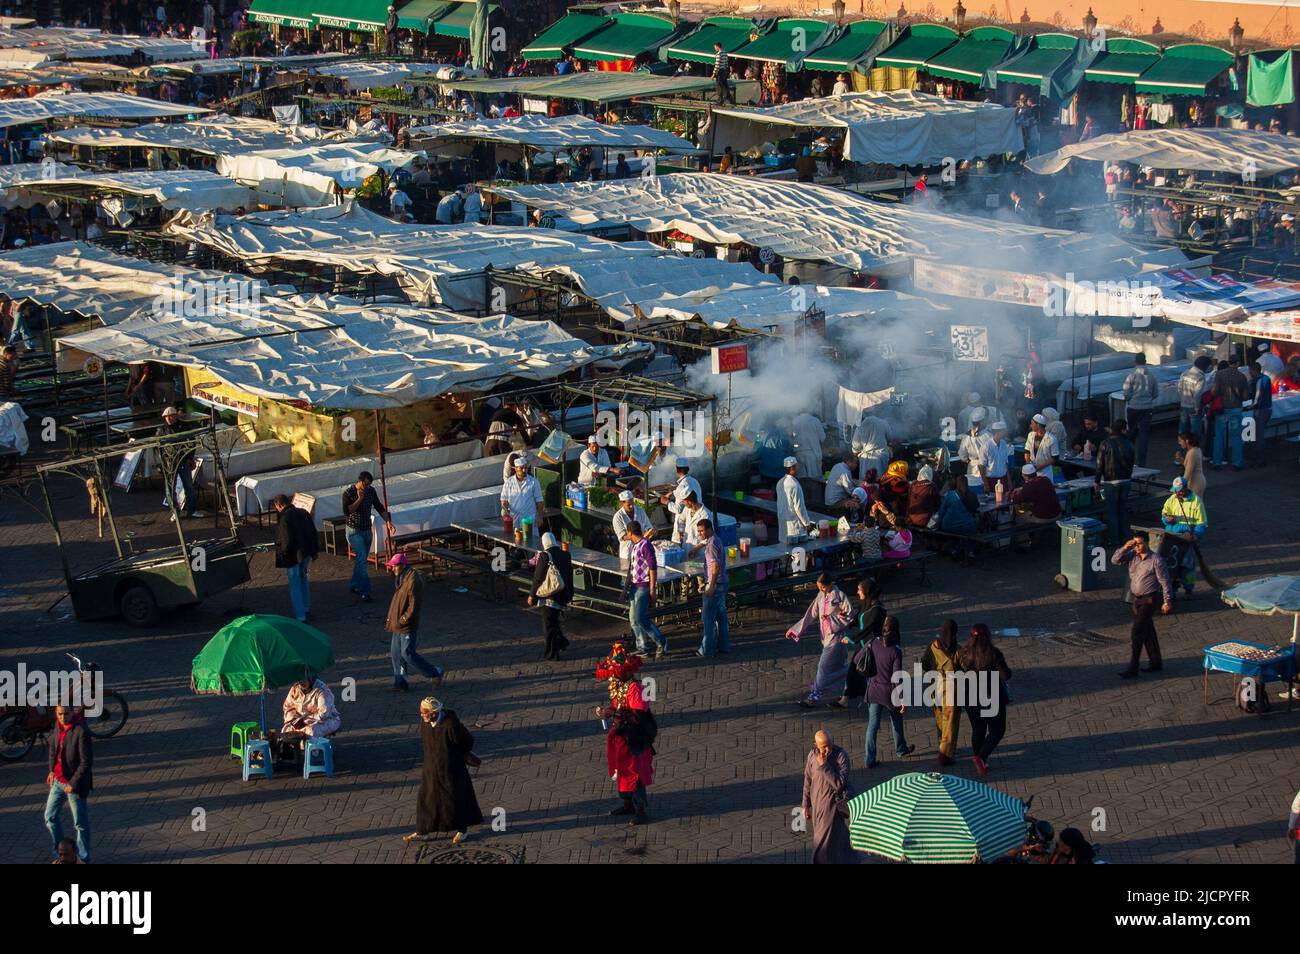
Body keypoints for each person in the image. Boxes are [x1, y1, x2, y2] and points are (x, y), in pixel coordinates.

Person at [404, 697, 483, 845]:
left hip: (451, 770)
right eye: (421, 712)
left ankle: (462, 830)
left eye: (424, 712)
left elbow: (467, 742)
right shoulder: (426, 723)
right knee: (427, 799)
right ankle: (423, 831)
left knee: (455, 799)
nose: (422, 715)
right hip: (431, 768)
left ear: (434, 712)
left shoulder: (451, 726)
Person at [595, 642, 657, 825]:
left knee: (635, 774)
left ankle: (640, 810)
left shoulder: (636, 689)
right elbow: (618, 706)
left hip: (635, 738)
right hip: (622, 736)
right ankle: (627, 803)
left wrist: (612, 713)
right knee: (622, 771)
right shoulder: (621, 686)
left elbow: (638, 716)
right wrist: (608, 711)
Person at [788, 572, 855, 708]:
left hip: (836, 639)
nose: (821, 590)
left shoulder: (840, 596)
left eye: (823, 587)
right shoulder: (820, 596)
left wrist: (833, 619)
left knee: (823, 668)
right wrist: (795, 630)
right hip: (826, 639)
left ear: (830, 584)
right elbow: (811, 613)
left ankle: (814, 696)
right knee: (840, 668)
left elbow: (850, 615)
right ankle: (854, 682)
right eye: (819, 587)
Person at [1112, 530, 1173, 678]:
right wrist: (1126, 547)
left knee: (1137, 632)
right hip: (1136, 600)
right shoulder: (1132, 556)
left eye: (1139, 543)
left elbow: (1165, 582)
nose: (1137, 546)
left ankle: (1133, 667)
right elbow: (1115, 560)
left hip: (1149, 600)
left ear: (1147, 543)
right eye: (1135, 543)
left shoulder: (1156, 560)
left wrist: (1167, 601)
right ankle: (1156, 662)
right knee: (1148, 632)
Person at [959, 624, 1011, 778]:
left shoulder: (964, 652)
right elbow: (1006, 675)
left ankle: (979, 759)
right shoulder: (993, 654)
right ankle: (981, 757)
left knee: (978, 729)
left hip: (970, 696)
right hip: (991, 696)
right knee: (997, 729)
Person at [386, 553, 443, 691]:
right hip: (397, 623)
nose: (392, 568)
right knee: (396, 653)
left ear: (402, 565)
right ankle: (400, 683)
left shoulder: (412, 580)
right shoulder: (401, 578)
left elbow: (414, 605)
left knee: (407, 653)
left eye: (394, 566)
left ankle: (434, 672)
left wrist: (403, 619)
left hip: (406, 625)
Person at [864, 615, 914, 767]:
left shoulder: (872, 643)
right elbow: (897, 678)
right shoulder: (896, 651)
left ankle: (869, 759)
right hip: (889, 694)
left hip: (873, 690)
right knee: (896, 721)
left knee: (872, 725)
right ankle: (901, 749)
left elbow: (858, 659)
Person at [802, 730, 857, 864]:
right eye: (823, 747)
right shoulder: (812, 756)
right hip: (817, 807)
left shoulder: (841, 756)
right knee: (837, 838)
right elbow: (808, 781)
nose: (827, 749)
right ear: (816, 745)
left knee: (823, 843)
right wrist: (805, 804)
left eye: (830, 745)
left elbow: (838, 784)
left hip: (832, 807)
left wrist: (824, 766)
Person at [45, 705, 91, 864]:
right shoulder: (57, 726)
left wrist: (73, 783)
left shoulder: (80, 731)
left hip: (74, 785)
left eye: (66, 713)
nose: (63, 717)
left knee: (80, 823)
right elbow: (53, 749)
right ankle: (62, 853)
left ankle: (82, 858)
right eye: (59, 714)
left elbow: (86, 763)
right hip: (57, 781)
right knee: (50, 817)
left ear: (72, 712)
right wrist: (51, 770)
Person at [342, 472, 392, 603]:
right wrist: (359, 499)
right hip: (354, 531)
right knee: (363, 559)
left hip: (366, 529)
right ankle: (365, 591)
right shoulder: (348, 493)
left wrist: (388, 521)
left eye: (369, 485)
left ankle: (354, 584)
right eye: (365, 484)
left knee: (361, 559)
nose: (367, 487)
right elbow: (347, 511)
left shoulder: (371, 491)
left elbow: (379, 506)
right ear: (359, 481)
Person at [921, 620, 961, 766]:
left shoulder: (933, 647)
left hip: (935, 687)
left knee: (940, 718)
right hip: (952, 689)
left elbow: (925, 664)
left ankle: (941, 745)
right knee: (951, 721)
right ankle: (946, 753)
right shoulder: (958, 650)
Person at [273, 493, 318, 622]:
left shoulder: (285, 518)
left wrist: (282, 554)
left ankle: (300, 615)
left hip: (293, 555)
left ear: (279, 505)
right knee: (304, 579)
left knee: (295, 585)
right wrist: (314, 551)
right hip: (306, 552)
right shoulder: (303, 512)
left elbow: (286, 540)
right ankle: (306, 607)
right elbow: (313, 532)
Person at [528, 532, 573, 661]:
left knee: (549, 625)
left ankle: (552, 653)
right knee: (554, 621)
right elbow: (569, 576)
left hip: (549, 595)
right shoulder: (566, 555)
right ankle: (561, 642)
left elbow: (538, 577)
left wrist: (532, 595)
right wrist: (570, 593)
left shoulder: (545, 556)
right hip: (562, 594)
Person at [626, 521, 667, 659]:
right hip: (634, 586)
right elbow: (630, 569)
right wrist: (625, 588)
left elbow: (652, 568)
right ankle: (642, 647)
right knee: (633, 619)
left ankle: (661, 641)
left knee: (640, 617)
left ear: (630, 533)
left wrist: (652, 589)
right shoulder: (634, 546)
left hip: (643, 586)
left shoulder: (646, 545)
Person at [689, 518, 729, 657]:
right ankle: (724, 646)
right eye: (698, 531)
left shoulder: (711, 546)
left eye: (701, 531)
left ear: (709, 529)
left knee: (708, 619)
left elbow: (715, 566)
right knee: (721, 617)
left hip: (715, 584)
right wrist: (697, 547)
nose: (700, 534)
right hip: (723, 582)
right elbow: (705, 542)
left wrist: (710, 586)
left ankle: (706, 650)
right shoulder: (715, 539)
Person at [1161, 476, 1207, 596]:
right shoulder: (1171, 500)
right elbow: (1164, 515)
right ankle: (1172, 590)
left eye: (1180, 490)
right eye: (1176, 491)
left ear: (1186, 488)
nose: (1178, 493)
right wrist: (1167, 520)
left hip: (1186, 539)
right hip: (1171, 537)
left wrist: (1196, 535)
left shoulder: (1197, 502)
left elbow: (1202, 523)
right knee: (1171, 564)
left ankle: (1188, 589)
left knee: (1187, 566)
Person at [842, 579, 885, 706]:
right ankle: (845, 699)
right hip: (862, 645)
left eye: (859, 590)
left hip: (872, 646)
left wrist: (851, 639)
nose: (857, 592)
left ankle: (874, 698)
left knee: (868, 672)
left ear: (866, 591)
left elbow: (868, 628)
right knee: (853, 671)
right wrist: (847, 619)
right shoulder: (866, 604)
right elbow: (859, 619)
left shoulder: (877, 609)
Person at [155, 406, 203, 518]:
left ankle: (192, 510)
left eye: (170, 416)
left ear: (175, 416)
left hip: (183, 461)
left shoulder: (184, 427)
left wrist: (190, 457)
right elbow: (158, 447)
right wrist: (164, 460)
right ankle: (175, 512)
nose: (168, 418)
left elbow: (192, 442)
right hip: (169, 463)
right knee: (170, 489)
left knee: (189, 487)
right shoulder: (161, 430)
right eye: (166, 417)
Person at [1094, 418, 1135, 544]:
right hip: (1126, 480)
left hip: (1111, 481)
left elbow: (1100, 464)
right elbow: (1133, 461)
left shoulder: (1105, 443)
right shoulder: (1129, 443)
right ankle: (1125, 537)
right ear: (1123, 430)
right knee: (1122, 509)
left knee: (1112, 511)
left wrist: (1097, 480)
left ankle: (1114, 538)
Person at [1210, 355, 1249, 470]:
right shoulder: (1242, 376)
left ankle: (1217, 461)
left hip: (1222, 408)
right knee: (1236, 436)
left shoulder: (1219, 374)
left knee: (1219, 436)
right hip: (1236, 408)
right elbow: (1245, 396)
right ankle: (1237, 462)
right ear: (1237, 363)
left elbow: (1214, 391)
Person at [1121, 354, 1160, 467]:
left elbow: (1126, 392)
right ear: (1146, 361)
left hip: (1133, 408)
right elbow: (1155, 393)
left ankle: (1129, 459)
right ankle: (1142, 463)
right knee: (1144, 435)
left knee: (1131, 433)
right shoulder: (1152, 376)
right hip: (1147, 409)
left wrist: (1131, 399)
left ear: (1135, 362)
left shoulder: (1131, 376)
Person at [280, 675, 340, 740]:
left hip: (327, 720)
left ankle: (313, 749)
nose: (302, 683)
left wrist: (305, 721)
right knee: (286, 730)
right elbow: (288, 706)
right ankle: (292, 749)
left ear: (310, 678)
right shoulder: (295, 688)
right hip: (301, 720)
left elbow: (324, 713)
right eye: (299, 681)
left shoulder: (322, 690)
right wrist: (293, 719)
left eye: (304, 680)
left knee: (311, 732)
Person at [935, 474, 979, 563]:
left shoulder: (950, 495)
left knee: (950, 531)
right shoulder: (972, 495)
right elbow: (976, 507)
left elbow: (942, 511)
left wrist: (938, 523)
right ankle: (970, 551)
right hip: (968, 526)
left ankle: (954, 549)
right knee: (974, 526)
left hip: (950, 526)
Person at [659, 458, 702, 543]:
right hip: (696, 517)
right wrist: (673, 492)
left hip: (685, 523)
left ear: (677, 470)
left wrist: (666, 502)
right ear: (688, 469)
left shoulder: (682, 486)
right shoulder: (695, 481)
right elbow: (685, 492)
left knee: (680, 544)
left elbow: (678, 509)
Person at [612, 490, 652, 575]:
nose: (631, 506)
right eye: (628, 505)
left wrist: (651, 531)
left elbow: (648, 526)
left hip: (642, 552)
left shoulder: (640, 511)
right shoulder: (618, 517)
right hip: (627, 553)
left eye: (632, 504)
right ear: (621, 503)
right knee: (627, 578)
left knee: (641, 576)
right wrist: (639, 536)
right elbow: (623, 537)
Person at [776, 457, 815, 545]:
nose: (799, 468)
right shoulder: (794, 485)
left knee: (784, 551)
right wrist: (806, 523)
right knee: (797, 553)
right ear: (793, 468)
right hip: (794, 526)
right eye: (797, 466)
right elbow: (799, 507)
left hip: (783, 523)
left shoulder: (780, 483)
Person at [500, 454, 544, 529]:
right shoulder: (508, 483)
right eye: (521, 468)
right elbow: (504, 501)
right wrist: (505, 512)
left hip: (530, 520)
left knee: (531, 539)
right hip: (514, 521)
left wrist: (540, 517)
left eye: (525, 468)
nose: (524, 470)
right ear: (515, 469)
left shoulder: (534, 482)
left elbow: (539, 501)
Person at [1177, 355, 1212, 444]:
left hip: (1183, 405)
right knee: (1195, 432)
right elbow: (1197, 395)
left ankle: (1179, 454)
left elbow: (1179, 389)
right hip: (1194, 408)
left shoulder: (1184, 373)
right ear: (1205, 366)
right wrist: (1196, 408)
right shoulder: (1200, 377)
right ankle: (1195, 454)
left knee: (1182, 432)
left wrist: (1183, 400)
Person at [1247, 360, 1273, 467]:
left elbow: (1258, 398)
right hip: (1268, 409)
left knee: (1258, 436)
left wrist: (1249, 407)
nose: (1249, 373)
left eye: (1249, 371)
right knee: (1258, 434)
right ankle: (1258, 457)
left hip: (1261, 410)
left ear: (1253, 371)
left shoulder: (1258, 381)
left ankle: (1260, 459)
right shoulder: (1266, 378)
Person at [851, 412, 891, 481]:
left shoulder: (860, 426)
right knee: (881, 482)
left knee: (866, 483)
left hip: (866, 460)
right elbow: (890, 438)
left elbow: (855, 446)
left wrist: (856, 453)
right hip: (881, 458)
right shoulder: (884, 423)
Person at [1024, 412, 1061, 479]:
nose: (1030, 425)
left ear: (1038, 425)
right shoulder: (1030, 435)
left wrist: (1039, 467)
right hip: (1032, 472)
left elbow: (1054, 458)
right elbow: (1027, 451)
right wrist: (1028, 465)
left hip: (1045, 473)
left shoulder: (1051, 439)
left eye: (1032, 424)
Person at [791, 410, 824, 483]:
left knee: (801, 477)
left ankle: (804, 493)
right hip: (812, 452)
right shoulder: (815, 420)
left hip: (798, 452)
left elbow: (791, 436)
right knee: (814, 478)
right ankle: (814, 493)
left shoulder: (795, 421)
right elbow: (822, 438)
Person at [906, 464, 942, 528]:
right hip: (925, 521)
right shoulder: (932, 486)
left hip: (910, 518)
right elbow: (938, 503)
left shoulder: (913, 484)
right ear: (930, 475)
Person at [981, 420, 1012, 493]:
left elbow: (1005, 463)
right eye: (1003, 431)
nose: (1005, 433)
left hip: (1003, 479)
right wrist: (985, 484)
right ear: (998, 432)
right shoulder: (986, 446)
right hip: (991, 480)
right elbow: (981, 466)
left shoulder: (1004, 444)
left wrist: (1009, 481)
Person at [1175, 431, 1206, 498]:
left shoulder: (1192, 453)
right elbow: (1191, 465)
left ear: (1187, 441)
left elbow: (1187, 474)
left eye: (1180, 441)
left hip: (1194, 483)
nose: (1179, 443)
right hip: (1198, 481)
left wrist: (1177, 488)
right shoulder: (1196, 449)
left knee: (1192, 506)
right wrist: (1181, 459)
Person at [710, 41, 733, 106]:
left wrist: (713, 74)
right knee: (725, 85)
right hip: (724, 70)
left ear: (717, 47)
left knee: (719, 86)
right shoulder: (725, 53)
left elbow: (717, 65)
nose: (715, 48)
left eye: (715, 47)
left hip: (720, 71)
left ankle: (720, 101)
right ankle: (729, 98)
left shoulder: (718, 54)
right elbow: (726, 63)